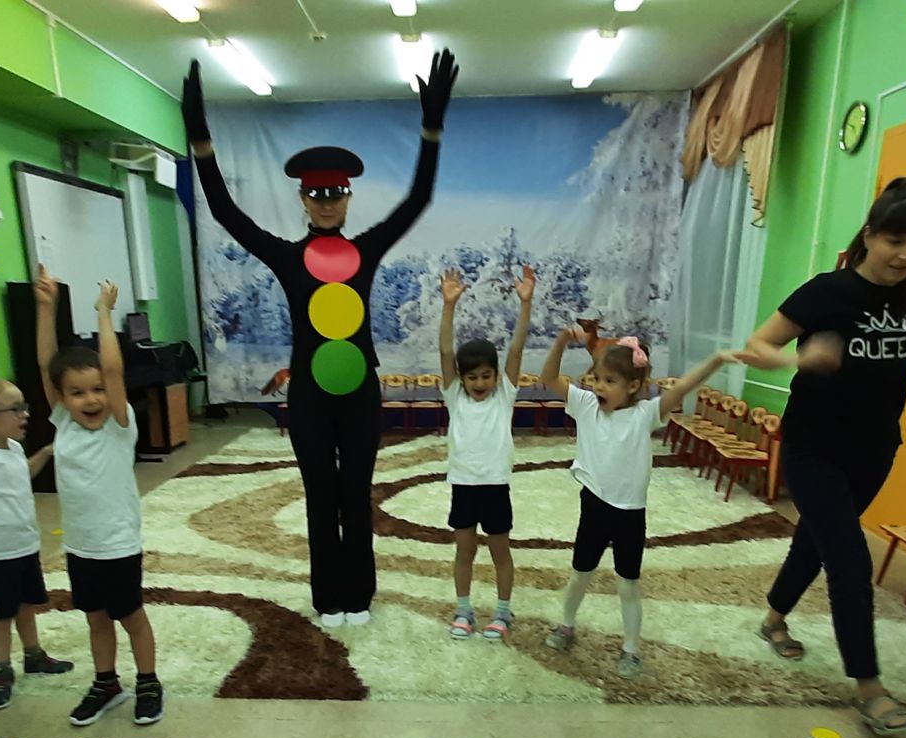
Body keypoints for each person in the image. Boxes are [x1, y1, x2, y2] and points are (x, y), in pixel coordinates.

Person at [182, 50, 459, 628]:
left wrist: (431, 132)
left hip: (359, 394)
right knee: (320, 497)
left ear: (349, 198)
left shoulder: (367, 249)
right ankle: (328, 596)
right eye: (317, 195)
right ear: (303, 199)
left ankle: (359, 594)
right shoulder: (287, 256)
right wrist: (202, 145)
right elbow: (226, 212)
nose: (327, 203)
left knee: (355, 494)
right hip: (309, 394)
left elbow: (417, 200)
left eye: (336, 194)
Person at [740, 177, 906, 736]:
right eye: (894, 241)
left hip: (875, 449)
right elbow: (758, 346)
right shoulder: (827, 291)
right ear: (871, 234)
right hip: (811, 447)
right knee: (850, 559)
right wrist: (800, 361)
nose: (905, 255)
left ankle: (773, 619)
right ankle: (870, 688)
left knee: (817, 540)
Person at [538, 326, 735, 678]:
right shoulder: (585, 405)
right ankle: (566, 625)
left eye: (609, 381)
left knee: (627, 584)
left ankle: (631, 649)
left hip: (630, 514)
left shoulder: (645, 414)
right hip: (594, 507)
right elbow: (549, 377)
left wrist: (716, 359)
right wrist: (560, 342)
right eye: (596, 379)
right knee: (580, 573)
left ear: (632, 386)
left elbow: (684, 387)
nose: (598, 387)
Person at [34, 268, 164, 727]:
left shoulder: (118, 425)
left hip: (118, 545)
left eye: (97, 391)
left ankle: (148, 681)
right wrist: (46, 308)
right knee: (95, 618)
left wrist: (104, 314)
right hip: (81, 546)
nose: (90, 400)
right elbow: (46, 365)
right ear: (62, 398)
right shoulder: (63, 423)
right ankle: (106, 683)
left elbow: (112, 370)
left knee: (131, 616)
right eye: (76, 393)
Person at [0, 377, 74, 710]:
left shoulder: (14, 448)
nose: (25, 414)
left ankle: (34, 655)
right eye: (15, 409)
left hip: (25, 546)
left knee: (27, 606)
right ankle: (2, 671)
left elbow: (21, 474)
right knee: (2, 615)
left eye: (24, 407)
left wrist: (45, 453)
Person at [439, 264, 535, 640]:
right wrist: (449, 305)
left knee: (500, 553)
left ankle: (503, 612)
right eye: (472, 377)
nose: (479, 383)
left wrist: (525, 304)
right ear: (461, 378)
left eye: (486, 375)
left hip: (495, 486)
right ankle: (464, 610)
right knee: (464, 552)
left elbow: (517, 348)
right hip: (463, 486)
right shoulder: (455, 396)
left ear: (496, 376)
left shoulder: (504, 395)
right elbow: (445, 350)